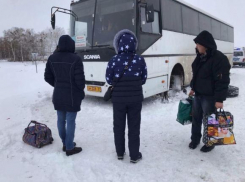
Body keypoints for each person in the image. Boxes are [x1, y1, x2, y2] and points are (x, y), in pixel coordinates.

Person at [106, 29, 147, 163]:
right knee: (134, 127)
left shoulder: (113, 60)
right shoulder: (140, 60)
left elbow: (109, 79)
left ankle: (119, 153)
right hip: (135, 100)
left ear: (118, 44)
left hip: (118, 100)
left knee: (118, 126)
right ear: (134, 44)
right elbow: (143, 79)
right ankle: (134, 155)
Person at [189, 30, 231, 152]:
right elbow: (196, 75)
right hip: (198, 94)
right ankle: (195, 139)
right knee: (196, 118)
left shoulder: (219, 59)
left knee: (211, 119)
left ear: (205, 44)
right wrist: (193, 87)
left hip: (210, 96)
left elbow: (222, 81)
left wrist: (219, 99)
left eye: (198, 44)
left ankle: (210, 142)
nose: (196, 46)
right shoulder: (200, 57)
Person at [44, 35, 85, 156]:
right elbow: (80, 81)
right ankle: (69, 147)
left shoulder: (52, 58)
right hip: (72, 96)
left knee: (61, 120)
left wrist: (57, 85)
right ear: (72, 45)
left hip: (58, 95)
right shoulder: (76, 59)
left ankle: (65, 143)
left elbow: (47, 77)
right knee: (71, 121)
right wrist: (80, 90)